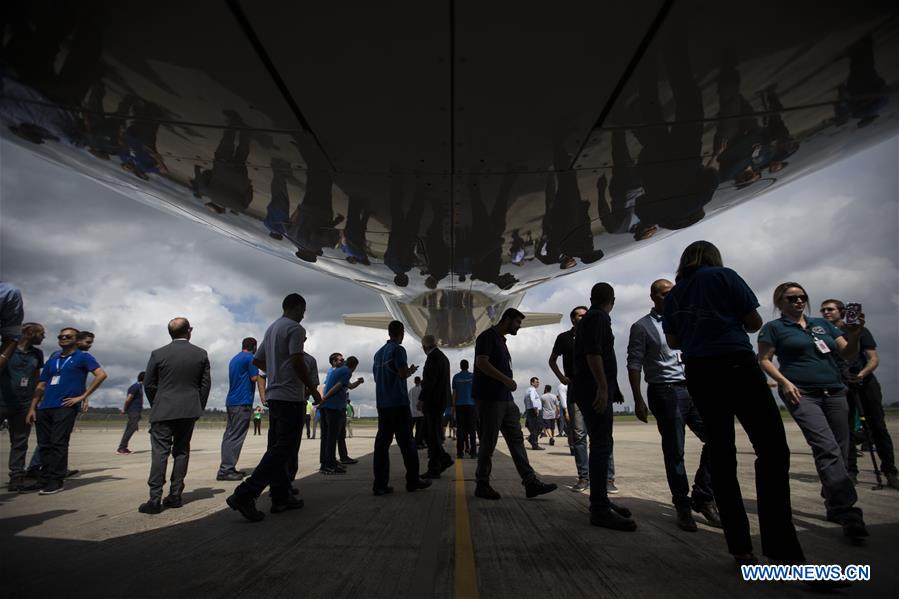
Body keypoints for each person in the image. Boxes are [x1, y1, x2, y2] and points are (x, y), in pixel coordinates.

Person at [663, 241, 804, 565]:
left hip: (699, 371)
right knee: (771, 449)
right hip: (736, 363)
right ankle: (782, 548)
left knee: (721, 455)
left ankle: (740, 546)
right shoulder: (724, 276)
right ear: (713, 257)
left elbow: (673, 341)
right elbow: (754, 322)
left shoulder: (675, 295)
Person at [758, 283, 868, 539]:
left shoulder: (823, 325)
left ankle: (833, 500)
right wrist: (784, 382)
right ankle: (848, 513)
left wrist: (855, 334)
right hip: (802, 393)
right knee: (826, 447)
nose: (798, 301)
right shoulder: (774, 328)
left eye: (802, 297)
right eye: (791, 298)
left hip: (835, 391)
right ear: (780, 302)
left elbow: (847, 354)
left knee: (841, 449)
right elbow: (763, 359)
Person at [627, 279, 719, 532]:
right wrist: (638, 399)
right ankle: (682, 506)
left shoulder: (686, 319)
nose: (671, 297)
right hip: (665, 391)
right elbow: (634, 363)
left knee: (718, 438)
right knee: (675, 450)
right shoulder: (642, 327)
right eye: (665, 294)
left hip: (694, 386)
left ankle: (703, 495)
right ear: (653, 296)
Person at [227, 294, 320, 522]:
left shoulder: (272, 329)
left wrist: (277, 369)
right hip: (290, 397)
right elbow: (297, 360)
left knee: (277, 448)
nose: (303, 315)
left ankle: (280, 496)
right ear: (295, 307)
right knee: (284, 449)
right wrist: (313, 389)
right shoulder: (295, 328)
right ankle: (245, 493)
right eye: (302, 310)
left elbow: (258, 361)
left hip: (275, 396)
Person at [472, 308, 557, 500]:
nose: (519, 326)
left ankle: (530, 482)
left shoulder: (501, 341)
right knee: (488, 442)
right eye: (517, 322)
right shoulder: (487, 337)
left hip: (505, 399)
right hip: (490, 399)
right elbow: (481, 363)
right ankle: (482, 484)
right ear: (507, 319)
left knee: (516, 439)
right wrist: (505, 380)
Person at [572, 283, 635, 531]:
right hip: (593, 391)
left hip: (588, 388)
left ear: (591, 298)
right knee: (601, 445)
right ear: (613, 300)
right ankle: (599, 507)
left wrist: (611, 387)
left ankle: (601, 500)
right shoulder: (598, 318)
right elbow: (594, 353)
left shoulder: (591, 319)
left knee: (600, 443)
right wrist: (602, 387)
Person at [820, 299, 898, 489]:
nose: (826, 313)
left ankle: (890, 471)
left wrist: (862, 374)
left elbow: (873, 359)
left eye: (830, 309)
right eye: (823, 310)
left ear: (842, 311)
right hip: (841, 384)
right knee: (845, 430)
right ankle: (851, 471)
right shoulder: (823, 335)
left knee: (878, 426)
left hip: (865, 382)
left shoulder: (860, 331)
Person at [21, 327, 107, 495]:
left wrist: (82, 396)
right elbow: (41, 385)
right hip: (45, 407)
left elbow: (101, 375)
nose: (63, 338)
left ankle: (56, 480)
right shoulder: (53, 360)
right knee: (44, 445)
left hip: (65, 406)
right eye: (61, 336)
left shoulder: (83, 357)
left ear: (76, 339)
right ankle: (43, 479)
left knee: (58, 443)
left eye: (68, 336)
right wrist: (32, 408)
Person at [137, 318, 210, 514]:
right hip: (188, 410)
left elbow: (149, 384)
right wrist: (198, 407)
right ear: (189, 331)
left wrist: (157, 403)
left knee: (160, 453)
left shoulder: (158, 354)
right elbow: (205, 385)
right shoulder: (200, 354)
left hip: (163, 408)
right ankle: (176, 494)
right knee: (182, 451)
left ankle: (154, 498)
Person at [372, 321, 431, 495]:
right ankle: (413, 480)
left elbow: (377, 378)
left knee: (382, 445)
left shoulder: (378, 354)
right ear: (401, 332)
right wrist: (410, 371)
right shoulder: (398, 350)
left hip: (382, 404)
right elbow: (402, 373)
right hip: (398, 403)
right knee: (407, 443)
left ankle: (380, 485)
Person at [549, 306, 590, 492]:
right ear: (573, 319)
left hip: (595, 387)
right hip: (575, 387)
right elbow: (552, 360)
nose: (584, 318)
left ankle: (608, 478)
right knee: (579, 434)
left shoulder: (595, 334)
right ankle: (584, 477)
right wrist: (561, 377)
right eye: (581, 316)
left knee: (600, 435)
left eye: (586, 315)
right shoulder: (564, 338)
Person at [0, 322, 44, 491]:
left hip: (24, 404)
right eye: (41, 333)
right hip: (2, 400)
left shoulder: (37, 354)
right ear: (29, 333)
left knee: (20, 441)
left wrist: (34, 405)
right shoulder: (6, 349)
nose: (43, 337)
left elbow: (37, 379)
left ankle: (17, 477)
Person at [217, 337, 266, 481]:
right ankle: (226, 470)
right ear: (254, 347)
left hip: (231, 401)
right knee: (236, 436)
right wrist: (265, 373)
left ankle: (227, 467)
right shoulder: (250, 358)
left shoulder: (234, 359)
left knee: (229, 435)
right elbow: (254, 378)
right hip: (242, 401)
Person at [320, 355, 363, 474]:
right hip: (334, 407)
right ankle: (329, 465)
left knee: (330, 437)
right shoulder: (347, 371)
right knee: (332, 437)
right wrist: (325, 398)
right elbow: (337, 386)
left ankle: (329, 462)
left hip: (331, 407)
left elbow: (349, 386)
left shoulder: (339, 371)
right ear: (354, 366)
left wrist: (358, 382)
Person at [420, 335, 454, 479]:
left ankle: (440, 462)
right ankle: (439, 463)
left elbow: (430, 382)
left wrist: (421, 399)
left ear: (425, 347)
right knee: (432, 434)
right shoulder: (443, 357)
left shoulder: (432, 358)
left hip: (433, 402)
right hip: (440, 401)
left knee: (431, 435)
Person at [452, 359, 477, 459]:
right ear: (468, 366)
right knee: (472, 430)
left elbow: (454, 394)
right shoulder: (473, 376)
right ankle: (473, 452)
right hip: (471, 405)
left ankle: (460, 452)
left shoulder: (456, 377)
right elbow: (476, 392)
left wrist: (453, 407)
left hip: (459, 406)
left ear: (460, 366)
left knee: (460, 430)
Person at [116, 371, 145, 454]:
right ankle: (121, 448)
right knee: (130, 429)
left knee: (131, 429)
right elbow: (128, 399)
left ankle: (123, 447)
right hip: (133, 411)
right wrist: (124, 409)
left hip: (136, 411)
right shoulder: (135, 387)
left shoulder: (139, 387)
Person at [523, 377, 544, 450]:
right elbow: (532, 399)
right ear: (532, 383)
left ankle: (532, 439)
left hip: (530, 410)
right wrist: (535, 408)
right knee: (538, 427)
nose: (538, 383)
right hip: (534, 410)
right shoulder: (532, 390)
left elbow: (525, 400)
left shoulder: (528, 390)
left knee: (536, 427)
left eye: (538, 382)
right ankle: (534, 443)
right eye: (536, 382)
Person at [409, 376, 426, 449]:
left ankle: (411, 442)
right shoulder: (422, 389)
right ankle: (418, 443)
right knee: (419, 430)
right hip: (420, 413)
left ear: (414, 381)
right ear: (420, 381)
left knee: (410, 429)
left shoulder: (411, 390)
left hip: (412, 413)